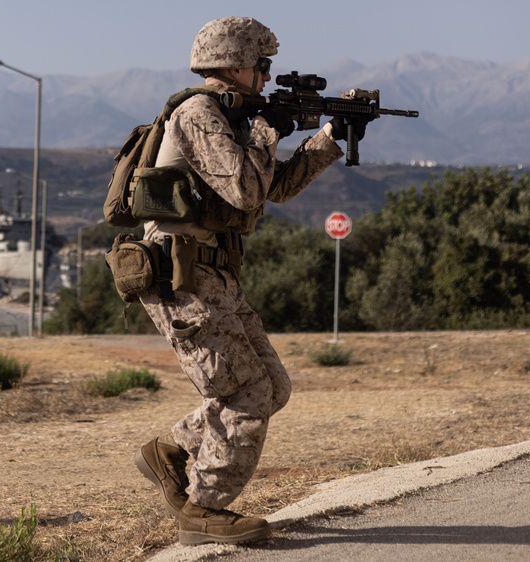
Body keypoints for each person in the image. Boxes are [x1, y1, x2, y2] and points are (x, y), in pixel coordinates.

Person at [131, 16, 367, 546]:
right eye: (262, 65)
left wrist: (330, 136)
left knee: (271, 385)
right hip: (180, 273)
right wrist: (268, 129)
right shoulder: (198, 114)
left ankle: (172, 451)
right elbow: (245, 190)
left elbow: (272, 187)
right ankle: (203, 509)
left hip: (213, 272)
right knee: (246, 391)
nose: (267, 76)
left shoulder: (231, 115)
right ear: (234, 64)